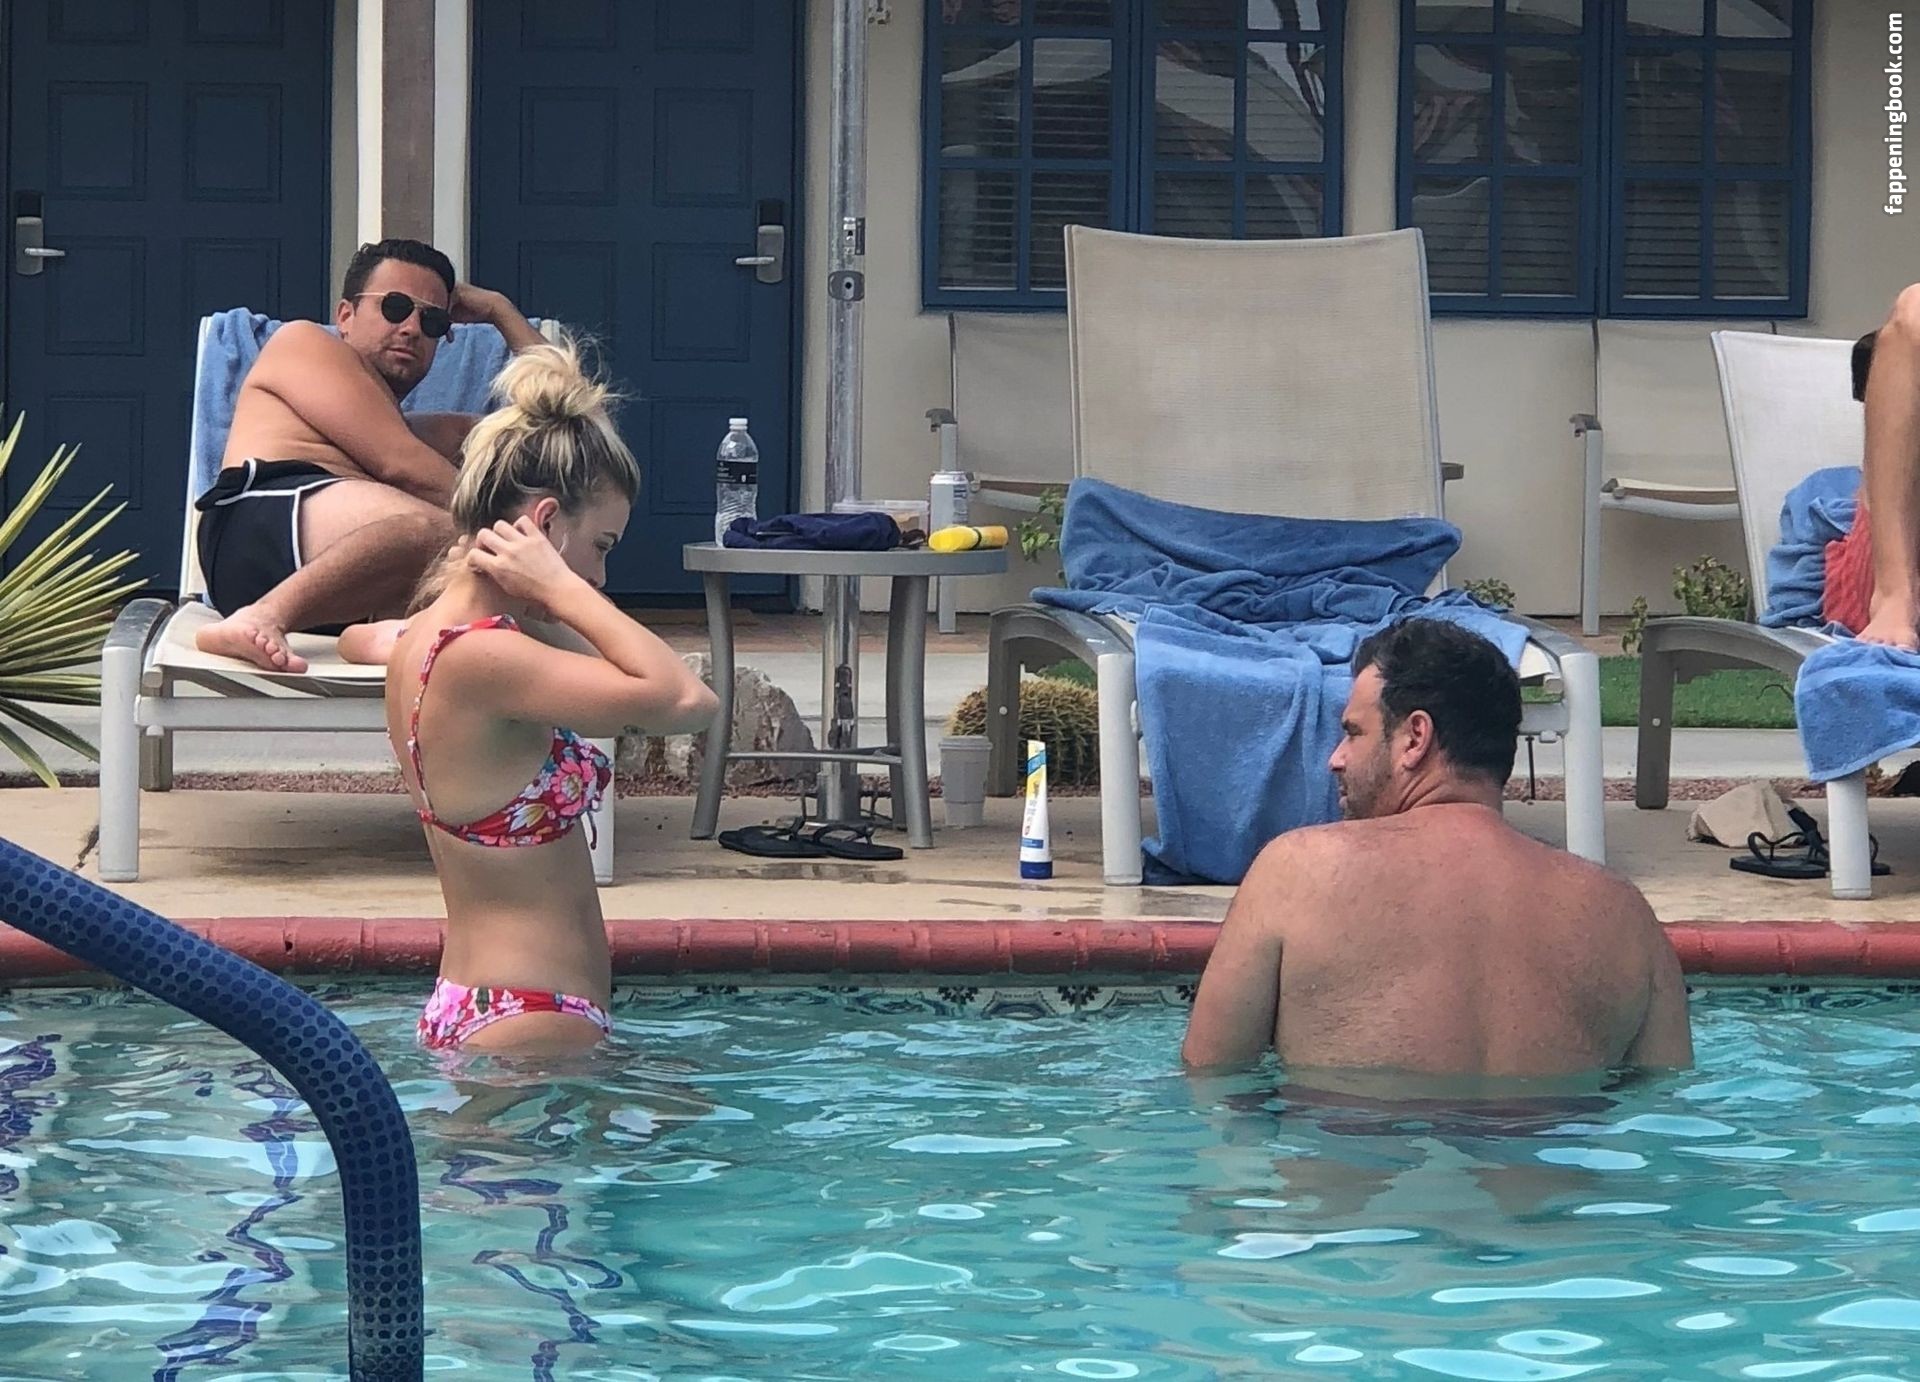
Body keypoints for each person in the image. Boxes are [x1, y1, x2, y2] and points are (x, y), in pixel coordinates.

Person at [376, 336, 717, 1054]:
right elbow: (687, 700)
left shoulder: (435, 636)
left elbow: (623, 671)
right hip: (529, 1013)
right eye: (602, 546)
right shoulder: (485, 658)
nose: (599, 577)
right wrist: (561, 584)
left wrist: (548, 591)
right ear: (546, 522)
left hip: (488, 1002)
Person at [1181, 618, 1692, 1084]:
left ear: (1415, 738)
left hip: (1351, 1155)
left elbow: (1212, 1084)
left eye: (1353, 733)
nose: (1336, 759)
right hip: (1551, 1157)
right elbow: (1664, 1108)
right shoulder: (1624, 915)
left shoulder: (1297, 873)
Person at [194, 238, 544, 673]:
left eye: (432, 320)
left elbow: (556, 424)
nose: (412, 328)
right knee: (449, 534)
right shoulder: (302, 344)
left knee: (497, 586)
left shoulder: (411, 430)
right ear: (345, 315)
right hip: (254, 535)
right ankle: (263, 616)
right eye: (395, 307)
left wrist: (499, 310)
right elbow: (401, 467)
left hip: (338, 596)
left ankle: (389, 635)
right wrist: (525, 541)